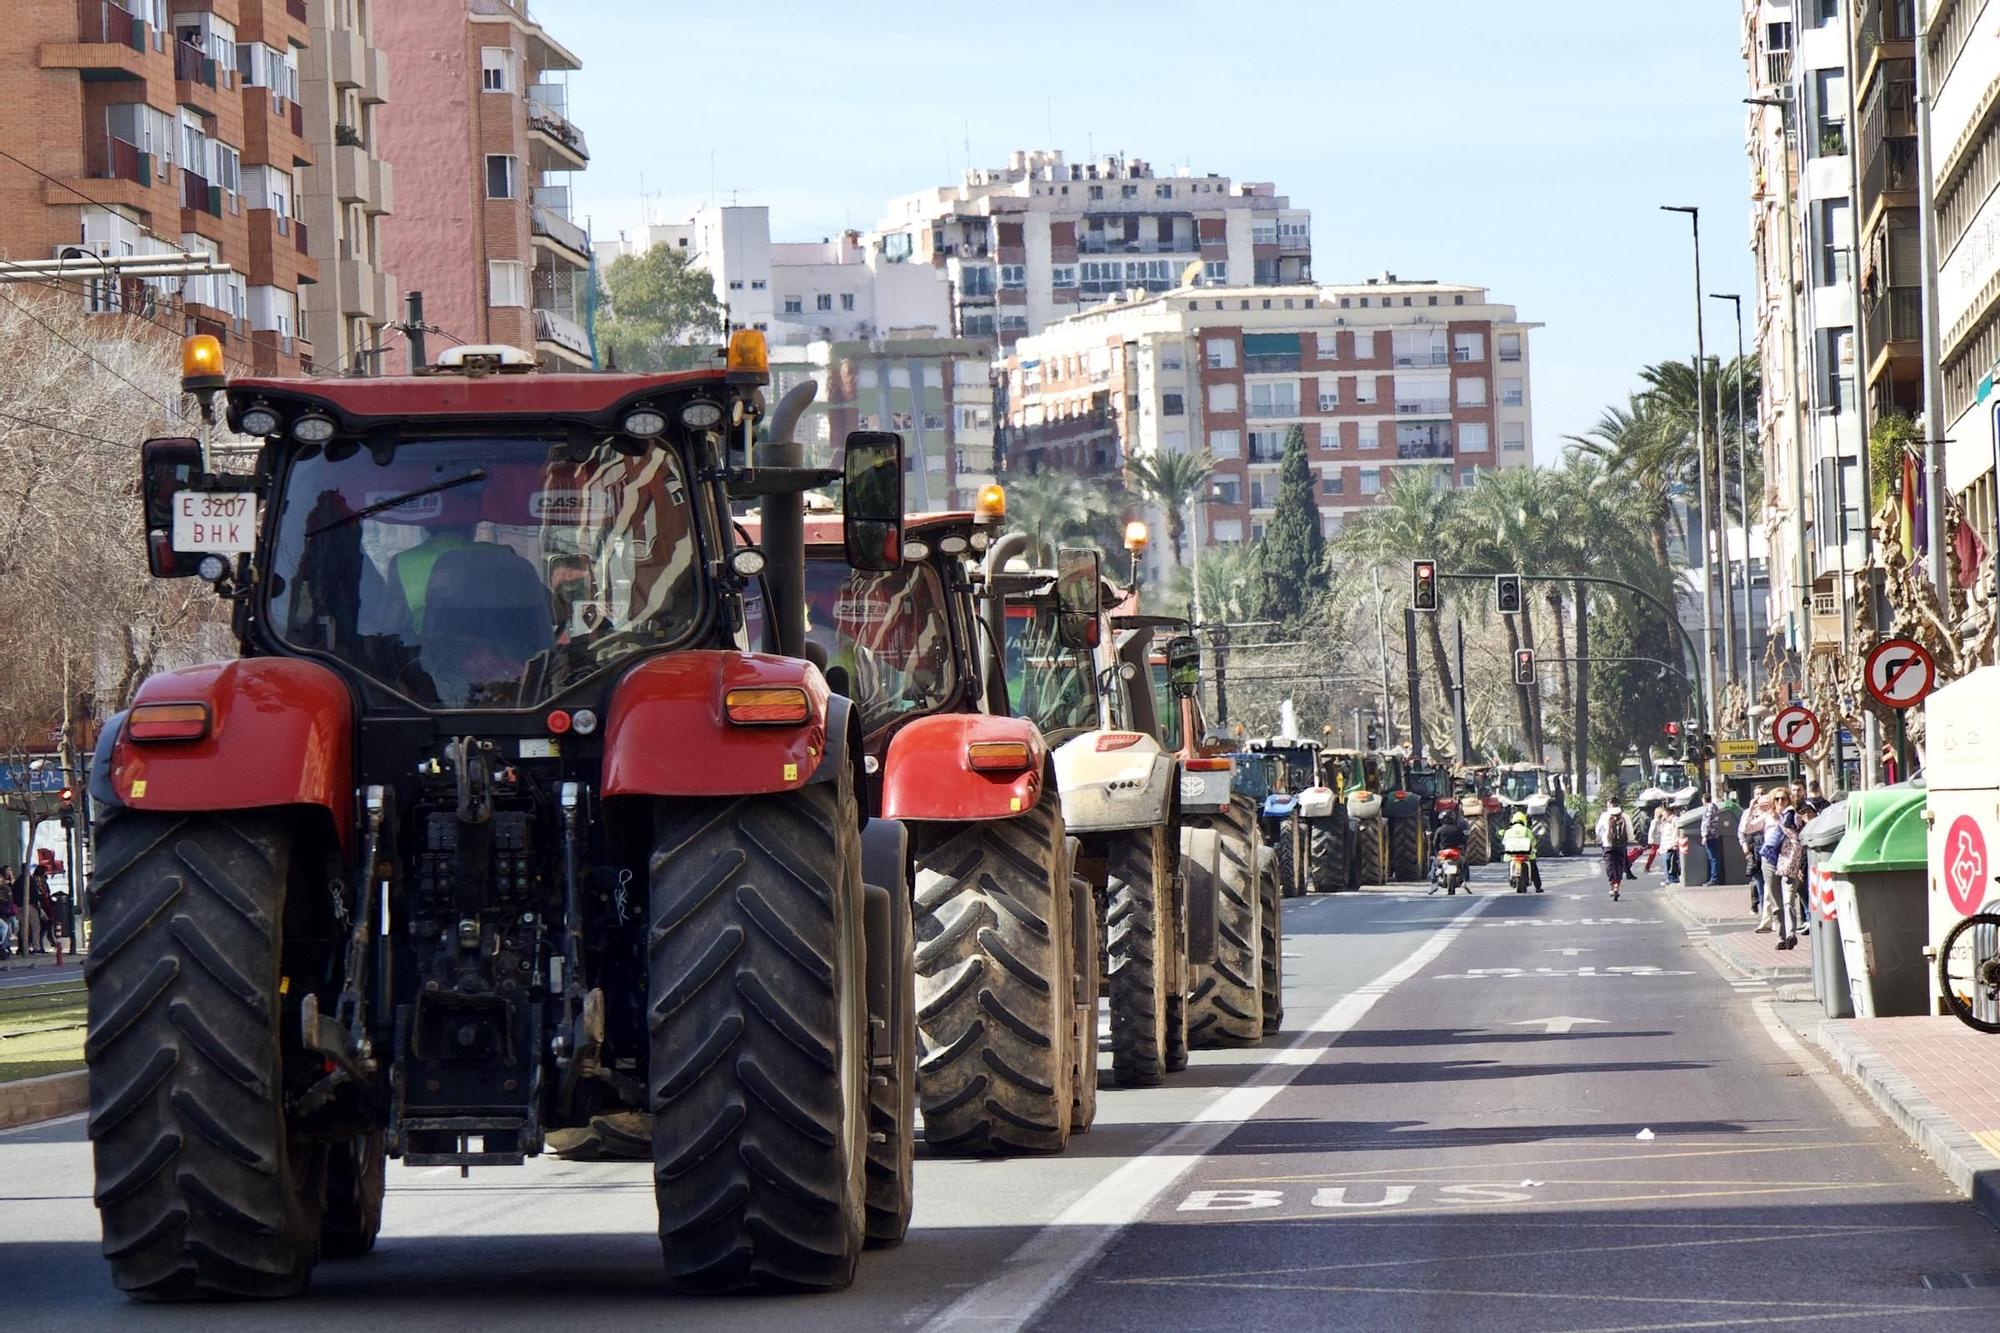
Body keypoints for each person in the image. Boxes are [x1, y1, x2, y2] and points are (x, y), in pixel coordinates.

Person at [1595, 797, 1633, 901]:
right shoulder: (1625, 816)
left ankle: (1613, 885)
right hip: (1621, 845)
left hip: (1608, 844)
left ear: (1610, 804)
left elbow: (1598, 830)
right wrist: (1628, 840)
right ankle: (1617, 886)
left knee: (1610, 865)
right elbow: (1630, 830)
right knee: (1619, 865)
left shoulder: (1605, 816)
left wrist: (1600, 837)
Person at [1739, 788, 1769, 916]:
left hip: (1768, 853)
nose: (1759, 797)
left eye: (1762, 794)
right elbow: (1742, 830)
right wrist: (1744, 846)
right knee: (1759, 884)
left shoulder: (1770, 813)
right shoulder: (1748, 813)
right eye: (1757, 794)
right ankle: (1763, 914)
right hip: (1754, 852)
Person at [1428, 807, 1470, 894]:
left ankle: (1433, 883)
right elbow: (1463, 841)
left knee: (1433, 865)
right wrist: (1463, 851)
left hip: (1443, 854)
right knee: (1465, 864)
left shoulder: (1439, 830)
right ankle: (1466, 882)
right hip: (1456, 854)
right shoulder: (1458, 829)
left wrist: (1436, 853)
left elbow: (1435, 843)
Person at [1500, 809, 1543, 893]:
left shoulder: (1508, 831)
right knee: (1534, 868)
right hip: (1526, 854)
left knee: (1510, 865)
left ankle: (1512, 880)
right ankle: (1538, 887)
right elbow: (1532, 841)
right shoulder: (1527, 830)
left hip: (1512, 855)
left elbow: (1504, 842)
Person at [1697, 792, 1726, 887]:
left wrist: (1704, 835)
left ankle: (1714, 879)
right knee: (1713, 858)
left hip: (1711, 836)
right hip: (1714, 835)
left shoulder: (1709, 808)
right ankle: (1713, 878)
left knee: (1713, 858)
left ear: (1704, 800)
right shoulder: (1714, 807)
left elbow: (1707, 822)